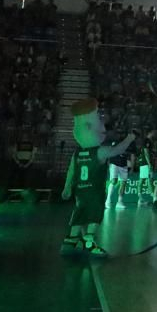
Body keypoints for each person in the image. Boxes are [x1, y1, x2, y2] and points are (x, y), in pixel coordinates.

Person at [61, 99, 135, 257]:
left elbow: (71, 171)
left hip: (80, 191)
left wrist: (67, 187)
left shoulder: (77, 153)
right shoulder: (100, 151)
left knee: (80, 213)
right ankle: (89, 241)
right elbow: (118, 150)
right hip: (95, 191)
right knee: (95, 215)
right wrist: (129, 139)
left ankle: (71, 240)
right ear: (89, 127)